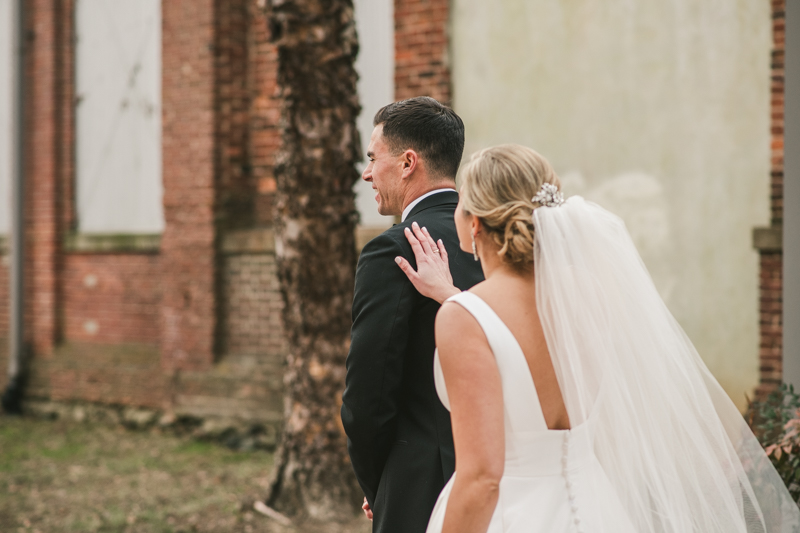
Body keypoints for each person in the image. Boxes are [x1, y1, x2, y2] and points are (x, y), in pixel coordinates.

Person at [395, 144, 800, 533]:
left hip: (510, 515)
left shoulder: (463, 319)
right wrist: (454, 297)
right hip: (595, 508)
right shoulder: (590, 296)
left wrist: (457, 305)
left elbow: (482, 479)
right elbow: (528, 337)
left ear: (477, 222)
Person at [340, 97, 484, 533]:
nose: (366, 173)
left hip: (424, 486)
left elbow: (368, 396)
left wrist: (378, 483)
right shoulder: (498, 238)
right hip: (503, 474)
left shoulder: (394, 249)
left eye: (372, 158)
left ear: (407, 163)